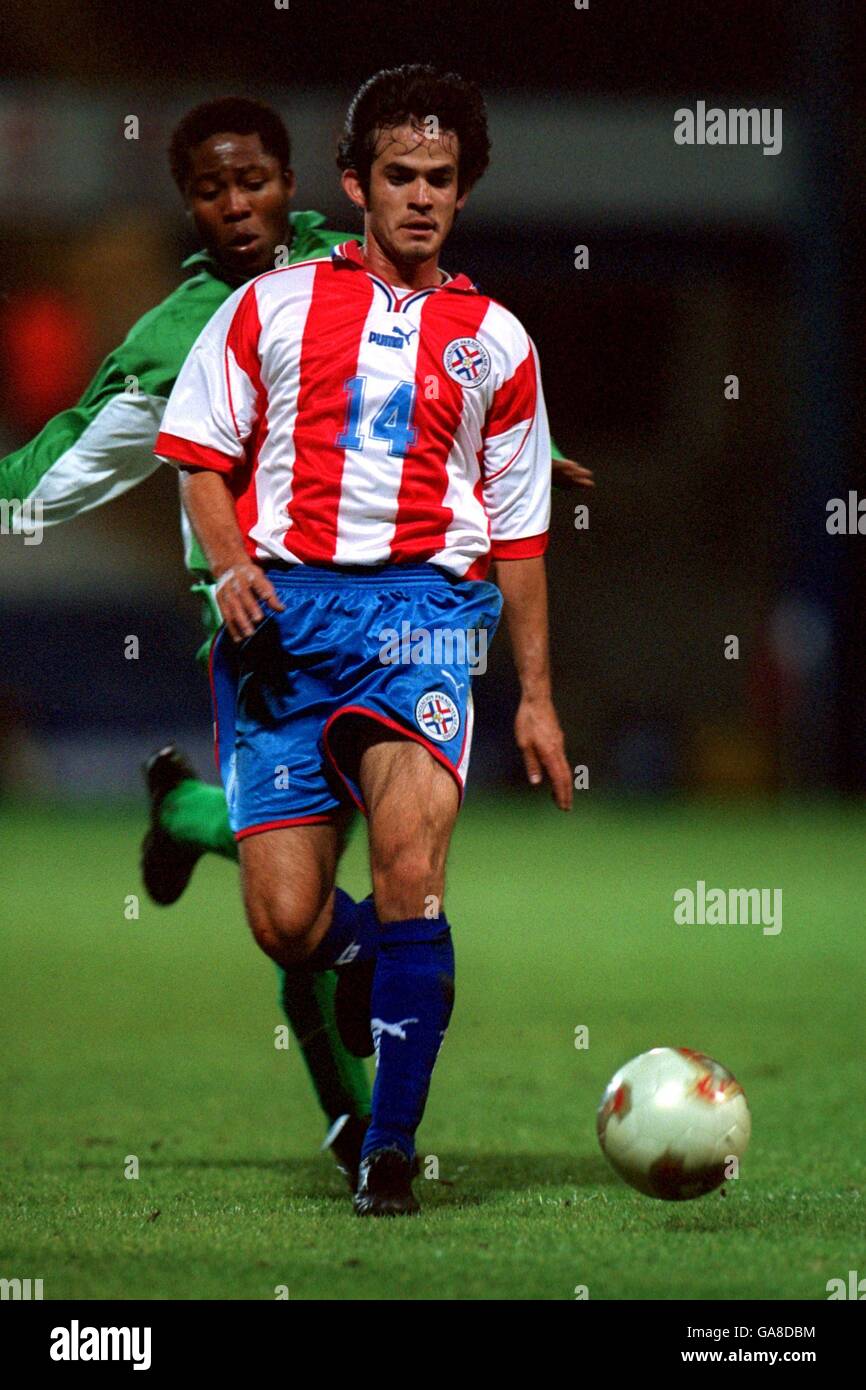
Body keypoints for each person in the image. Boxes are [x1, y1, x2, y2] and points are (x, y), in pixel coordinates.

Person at [155, 64, 574, 1216]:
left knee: (409, 875)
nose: (422, 197)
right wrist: (235, 559)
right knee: (287, 921)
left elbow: (523, 536)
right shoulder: (273, 304)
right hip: (286, 618)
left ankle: (391, 1152)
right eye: (400, 175)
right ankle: (355, 960)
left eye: (442, 178)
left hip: (426, 620)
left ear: (463, 190)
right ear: (353, 182)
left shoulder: (496, 340)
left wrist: (534, 696)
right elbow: (195, 450)